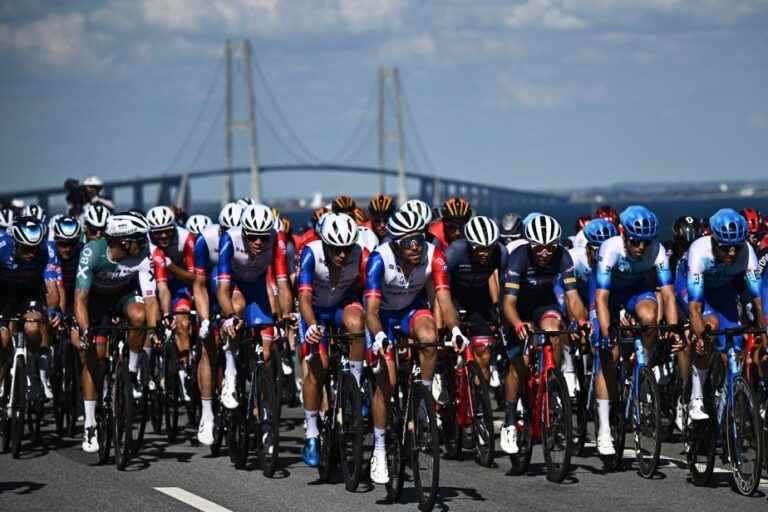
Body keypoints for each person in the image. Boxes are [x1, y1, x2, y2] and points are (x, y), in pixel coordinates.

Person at [364, 209, 468, 484]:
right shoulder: (379, 259)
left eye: (419, 240)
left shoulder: (434, 255)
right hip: (382, 317)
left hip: (411, 309)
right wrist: (378, 337)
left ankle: (422, 394)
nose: (415, 247)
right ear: (395, 244)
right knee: (386, 382)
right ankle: (380, 448)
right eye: (408, 242)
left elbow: (445, 301)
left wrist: (456, 329)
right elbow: (370, 311)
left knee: (430, 336)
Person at [72, 213, 165, 453]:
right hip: (95, 302)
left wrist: (155, 331)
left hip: (123, 296)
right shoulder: (92, 252)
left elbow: (151, 299)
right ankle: (90, 423)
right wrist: (85, 332)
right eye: (138, 238)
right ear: (123, 241)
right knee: (94, 357)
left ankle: (131, 371)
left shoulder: (142, 256)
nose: (144, 243)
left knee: (139, 316)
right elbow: (80, 300)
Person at [592, 205, 680, 455]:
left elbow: (669, 295)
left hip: (636, 291)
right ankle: (604, 430)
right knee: (610, 356)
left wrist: (673, 329)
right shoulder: (610, 250)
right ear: (623, 236)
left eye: (645, 242)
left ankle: (642, 362)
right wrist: (608, 331)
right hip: (607, 295)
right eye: (635, 242)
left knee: (651, 317)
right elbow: (601, 298)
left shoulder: (657, 251)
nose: (641, 247)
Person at [500, 213, 589, 455]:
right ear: (530, 244)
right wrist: (518, 324)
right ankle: (509, 421)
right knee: (520, 363)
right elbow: (508, 303)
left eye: (550, 247)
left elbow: (572, 297)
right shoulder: (518, 258)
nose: (544, 253)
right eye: (538, 248)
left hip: (543, 302)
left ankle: (551, 377)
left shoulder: (563, 256)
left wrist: (581, 320)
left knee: (555, 330)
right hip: (516, 306)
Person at [680, 209, 766, 424]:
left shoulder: (746, 252)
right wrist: (700, 337)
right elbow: (695, 307)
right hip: (691, 290)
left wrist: (765, 335)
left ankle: (727, 397)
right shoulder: (700, 251)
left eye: (735, 247)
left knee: (735, 344)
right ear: (714, 241)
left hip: (721, 290)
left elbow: (758, 302)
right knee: (711, 326)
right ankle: (696, 397)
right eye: (725, 247)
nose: (731, 253)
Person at [296, 213, 368, 466]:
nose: (342, 255)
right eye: (336, 249)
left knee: (358, 324)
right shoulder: (310, 254)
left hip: (341, 306)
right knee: (318, 369)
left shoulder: (360, 253)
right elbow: (303, 299)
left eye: (346, 249)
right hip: (314, 311)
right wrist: (313, 325)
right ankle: (312, 434)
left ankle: (355, 385)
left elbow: (371, 292)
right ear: (325, 243)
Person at [192, 202, 243, 445]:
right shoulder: (205, 240)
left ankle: (237, 372)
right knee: (207, 349)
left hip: (236, 289)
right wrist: (204, 319)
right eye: (227, 232)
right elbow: (199, 285)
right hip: (211, 293)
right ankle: (207, 414)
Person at [0, 216, 62, 406]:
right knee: (2, 341)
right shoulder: (2, 246)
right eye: (26, 249)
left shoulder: (46, 251)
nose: (31, 253)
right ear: (15, 243)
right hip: (2, 293)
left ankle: (34, 368)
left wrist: (53, 310)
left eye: (34, 248)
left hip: (29, 293)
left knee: (33, 328)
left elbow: (51, 287)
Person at [445, 215, 507, 393]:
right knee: (444, 339)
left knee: (484, 353)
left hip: (478, 298)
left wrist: (499, 312)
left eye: (489, 249)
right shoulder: (455, 252)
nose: (484, 254)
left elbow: (505, 289)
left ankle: (480, 402)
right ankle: (443, 372)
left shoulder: (501, 253)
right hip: (453, 295)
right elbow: (440, 289)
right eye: (478, 249)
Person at [146, 206, 197, 402]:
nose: (164, 235)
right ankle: (148, 368)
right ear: (151, 232)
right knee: (148, 322)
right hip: (151, 282)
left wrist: (169, 265)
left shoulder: (186, 239)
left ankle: (183, 376)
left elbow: (193, 278)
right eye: (159, 232)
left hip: (178, 284)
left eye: (168, 230)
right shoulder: (145, 242)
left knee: (183, 323)